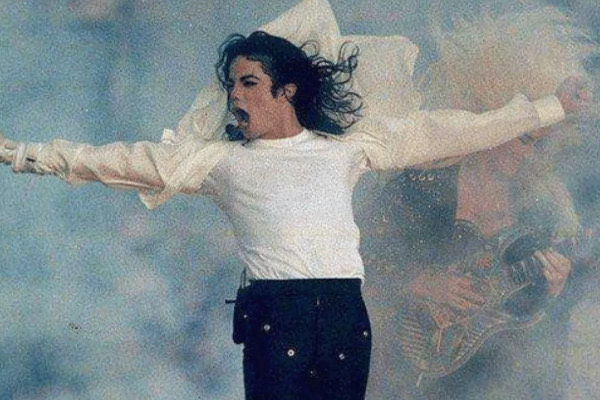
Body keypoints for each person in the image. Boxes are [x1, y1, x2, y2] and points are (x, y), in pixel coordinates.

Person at [0, 1, 591, 399]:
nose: (235, 95)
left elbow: (448, 131)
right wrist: (21, 153)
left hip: (344, 316)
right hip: (276, 314)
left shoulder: (348, 149)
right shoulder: (218, 161)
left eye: (248, 82)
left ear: (286, 90)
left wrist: (551, 108)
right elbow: (116, 160)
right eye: (230, 84)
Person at [363, 6, 596, 400]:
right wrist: (418, 282)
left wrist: (555, 291)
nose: (529, 155)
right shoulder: (416, 188)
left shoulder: (546, 208)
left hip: (506, 381)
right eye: (524, 138)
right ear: (493, 120)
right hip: (409, 378)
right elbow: (352, 267)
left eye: (541, 144)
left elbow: (547, 328)